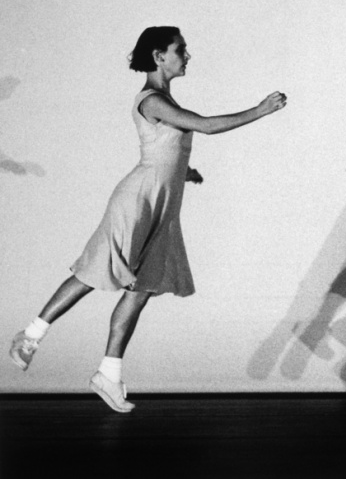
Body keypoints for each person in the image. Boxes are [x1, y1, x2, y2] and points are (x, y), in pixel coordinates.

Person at [9, 26, 287, 412]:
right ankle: (30, 335)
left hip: (163, 205)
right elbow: (205, 126)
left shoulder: (165, 101)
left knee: (142, 290)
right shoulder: (152, 99)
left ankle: (109, 373)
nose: (186, 56)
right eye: (180, 50)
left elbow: (163, 150)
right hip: (137, 202)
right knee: (96, 270)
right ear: (159, 56)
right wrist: (260, 110)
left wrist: (183, 172)